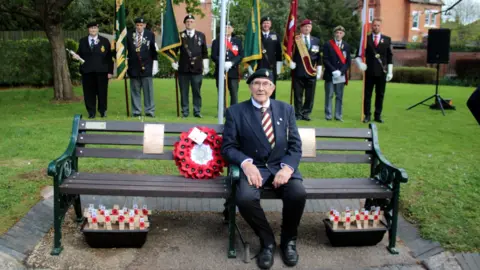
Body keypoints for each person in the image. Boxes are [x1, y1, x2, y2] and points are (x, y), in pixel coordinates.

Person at [221, 69, 306, 269]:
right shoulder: (235, 112)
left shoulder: (286, 109)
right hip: (254, 167)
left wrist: (287, 169)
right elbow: (228, 147)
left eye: (266, 83)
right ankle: (267, 241)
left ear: (272, 88)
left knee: (297, 193)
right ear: (250, 87)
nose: (261, 88)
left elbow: (295, 146)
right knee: (244, 198)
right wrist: (246, 164)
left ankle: (288, 242)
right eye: (256, 83)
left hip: (280, 166)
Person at [354, 18, 393, 123]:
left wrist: (390, 71)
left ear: (381, 26)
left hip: (382, 72)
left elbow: (390, 57)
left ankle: (378, 115)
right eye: (374, 25)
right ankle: (367, 115)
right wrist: (360, 64)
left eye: (378, 25)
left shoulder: (387, 39)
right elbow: (358, 55)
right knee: (367, 95)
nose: (376, 27)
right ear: (372, 26)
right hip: (369, 71)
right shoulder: (365, 39)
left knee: (380, 94)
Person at [171, 14, 209, 118]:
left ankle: (197, 111)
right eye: (187, 22)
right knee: (184, 92)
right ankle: (185, 111)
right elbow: (173, 51)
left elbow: (204, 52)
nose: (189, 23)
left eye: (191, 21)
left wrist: (206, 66)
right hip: (183, 68)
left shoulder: (201, 35)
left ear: (194, 23)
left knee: (196, 91)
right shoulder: (179, 36)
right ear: (184, 23)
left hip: (197, 69)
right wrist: (173, 62)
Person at [76, 21, 113, 119]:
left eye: (95, 28)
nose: (93, 30)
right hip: (87, 71)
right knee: (89, 93)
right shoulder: (82, 41)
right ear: (88, 30)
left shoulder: (104, 41)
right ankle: (91, 112)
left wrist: (110, 71)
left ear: (98, 29)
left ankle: (103, 111)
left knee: (102, 92)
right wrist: (75, 56)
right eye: (91, 28)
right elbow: (79, 54)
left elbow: (109, 57)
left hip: (102, 71)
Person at [290, 19, 322, 121]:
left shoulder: (316, 40)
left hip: (311, 72)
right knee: (298, 95)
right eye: (305, 26)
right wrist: (290, 62)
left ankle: (306, 113)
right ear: (301, 28)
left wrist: (319, 69)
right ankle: (298, 114)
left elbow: (318, 56)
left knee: (310, 95)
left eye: (309, 26)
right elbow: (290, 53)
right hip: (298, 71)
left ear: (311, 28)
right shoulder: (296, 39)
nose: (307, 28)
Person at [126, 17, 159, 117]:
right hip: (133, 67)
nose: (139, 27)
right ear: (135, 25)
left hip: (147, 66)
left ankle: (149, 111)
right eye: (137, 25)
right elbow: (125, 51)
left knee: (148, 91)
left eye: (141, 25)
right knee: (135, 91)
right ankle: (136, 111)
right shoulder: (129, 34)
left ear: (144, 25)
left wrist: (155, 65)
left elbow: (154, 51)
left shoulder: (150, 34)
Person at [211, 21, 244, 110]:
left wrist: (231, 63)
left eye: (229, 27)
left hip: (233, 71)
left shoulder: (237, 41)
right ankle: (222, 111)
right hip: (220, 70)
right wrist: (222, 62)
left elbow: (240, 55)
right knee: (221, 92)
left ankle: (234, 111)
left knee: (233, 92)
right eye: (225, 27)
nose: (227, 29)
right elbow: (213, 56)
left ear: (232, 29)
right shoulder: (217, 42)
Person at [322, 25, 351, 122]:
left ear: (343, 34)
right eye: (337, 33)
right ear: (334, 33)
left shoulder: (346, 46)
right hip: (330, 74)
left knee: (339, 96)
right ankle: (328, 115)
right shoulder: (328, 44)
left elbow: (348, 62)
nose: (338, 34)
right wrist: (333, 70)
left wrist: (341, 71)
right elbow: (325, 59)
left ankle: (338, 115)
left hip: (341, 75)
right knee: (329, 95)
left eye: (340, 33)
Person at [249, 16, 283, 99]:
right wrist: (250, 65)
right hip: (259, 66)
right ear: (261, 25)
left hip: (271, 66)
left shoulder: (275, 36)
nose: (266, 25)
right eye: (264, 23)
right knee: (257, 86)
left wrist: (279, 66)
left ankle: (271, 106)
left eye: (268, 23)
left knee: (271, 86)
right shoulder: (256, 36)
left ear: (270, 24)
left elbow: (279, 51)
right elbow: (250, 50)